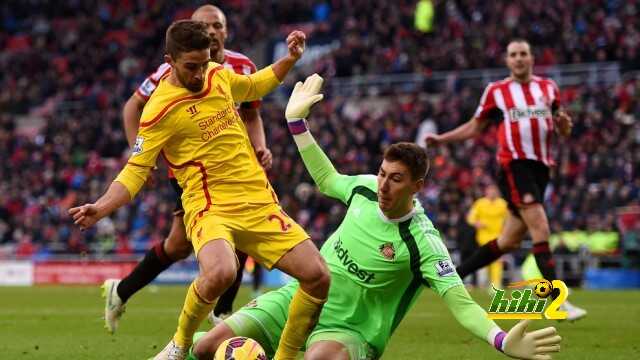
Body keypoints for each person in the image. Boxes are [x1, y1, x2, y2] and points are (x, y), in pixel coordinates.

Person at [186, 74, 563, 360]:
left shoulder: (423, 242)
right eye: (383, 173)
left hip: (349, 329)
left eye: (396, 179)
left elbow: (461, 303)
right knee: (207, 348)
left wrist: (499, 339)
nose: (383, 185)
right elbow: (328, 178)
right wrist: (297, 126)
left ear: (417, 186)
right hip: (297, 299)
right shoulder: (365, 188)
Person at [70, 21, 330, 360]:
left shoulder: (218, 75)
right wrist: (101, 207)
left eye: (204, 63)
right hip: (210, 207)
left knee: (318, 276)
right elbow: (135, 171)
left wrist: (290, 59)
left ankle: (285, 356)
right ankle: (179, 345)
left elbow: (254, 86)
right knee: (223, 271)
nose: (199, 73)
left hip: (258, 201)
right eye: (191, 66)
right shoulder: (159, 109)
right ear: (170, 60)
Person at [102, 4, 270, 334]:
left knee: (190, 243)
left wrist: (260, 146)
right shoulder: (172, 73)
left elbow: (252, 115)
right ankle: (220, 314)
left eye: (217, 26)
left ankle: (123, 292)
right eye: (204, 26)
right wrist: (140, 151)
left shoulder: (243, 66)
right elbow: (132, 106)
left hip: (233, 167)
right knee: (194, 242)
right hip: (190, 171)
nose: (212, 32)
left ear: (226, 31)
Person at [424, 39, 586, 321]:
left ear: (532, 58)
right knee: (540, 225)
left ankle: (452, 277)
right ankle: (557, 300)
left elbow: (563, 128)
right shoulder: (496, 92)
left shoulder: (548, 88)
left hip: (541, 168)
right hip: (514, 165)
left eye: (523, 53)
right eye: (513, 55)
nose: (519, 59)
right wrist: (442, 138)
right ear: (507, 61)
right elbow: (476, 126)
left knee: (509, 240)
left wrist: (564, 126)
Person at [466, 183, 508, 288]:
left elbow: (509, 218)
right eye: (490, 190)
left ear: (497, 192)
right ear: (486, 191)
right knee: (485, 262)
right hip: (483, 238)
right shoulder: (480, 203)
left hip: (498, 238)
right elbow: (470, 218)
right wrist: (477, 223)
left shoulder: (503, 204)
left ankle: (495, 285)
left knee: (497, 262)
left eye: (494, 190)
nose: (492, 192)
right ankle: (483, 284)